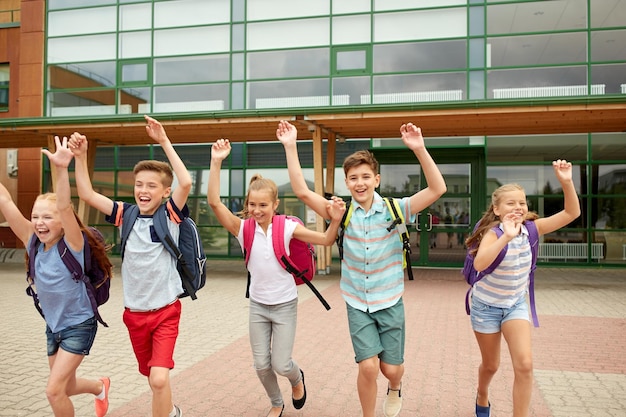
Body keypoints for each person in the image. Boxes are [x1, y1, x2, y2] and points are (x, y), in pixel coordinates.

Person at [277, 120, 447, 417]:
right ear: (347, 183)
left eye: (366, 176)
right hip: (357, 302)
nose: (360, 183)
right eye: (353, 177)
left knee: (391, 369)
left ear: (377, 179)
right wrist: (291, 145)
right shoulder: (339, 212)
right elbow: (302, 191)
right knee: (368, 366)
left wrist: (419, 148)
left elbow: (437, 188)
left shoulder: (397, 209)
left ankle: (395, 386)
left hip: (390, 299)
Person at [207, 138, 346, 417]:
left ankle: (297, 379)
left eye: (263, 205)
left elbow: (326, 240)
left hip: (284, 306)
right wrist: (217, 161)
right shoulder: (243, 228)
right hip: (258, 306)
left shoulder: (287, 229)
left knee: (281, 364)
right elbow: (213, 202)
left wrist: (336, 218)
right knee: (261, 364)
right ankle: (276, 402)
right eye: (252, 205)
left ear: (275, 204)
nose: (257, 211)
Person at [69, 115, 192, 417]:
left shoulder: (170, 215)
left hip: (165, 311)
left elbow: (185, 181)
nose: (143, 189)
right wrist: (81, 156)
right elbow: (86, 194)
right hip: (134, 315)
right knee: (152, 378)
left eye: (152, 185)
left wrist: (163, 140)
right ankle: (172, 412)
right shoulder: (127, 214)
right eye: (139, 184)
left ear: (165, 192)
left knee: (159, 378)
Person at [0, 135, 112, 417]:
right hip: (54, 325)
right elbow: (4, 200)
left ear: (64, 223)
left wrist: (61, 169)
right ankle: (100, 386)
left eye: (47, 217)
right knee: (67, 386)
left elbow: (64, 205)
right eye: (35, 216)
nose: (39, 222)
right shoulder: (33, 242)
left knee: (53, 391)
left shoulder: (73, 245)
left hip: (79, 325)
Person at [465, 160, 580, 417]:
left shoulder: (532, 229)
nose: (518, 207)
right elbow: (482, 263)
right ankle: (482, 392)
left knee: (525, 365)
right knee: (492, 365)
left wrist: (566, 182)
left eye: (522, 202)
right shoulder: (492, 233)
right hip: (485, 307)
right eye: (510, 203)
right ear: (496, 209)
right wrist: (506, 235)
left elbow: (572, 213)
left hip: (515, 304)